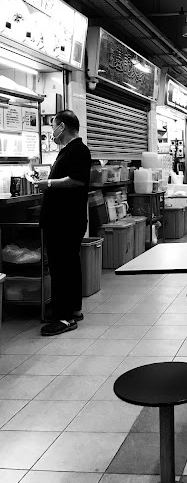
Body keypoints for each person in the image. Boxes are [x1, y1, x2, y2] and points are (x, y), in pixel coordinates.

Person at [37, 110, 91, 336]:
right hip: (63, 220)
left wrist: (48, 184)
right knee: (67, 265)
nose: (52, 132)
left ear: (63, 126)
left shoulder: (79, 149)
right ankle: (73, 310)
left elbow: (76, 180)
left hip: (66, 221)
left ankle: (65, 317)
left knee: (62, 267)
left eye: (54, 126)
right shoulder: (67, 151)